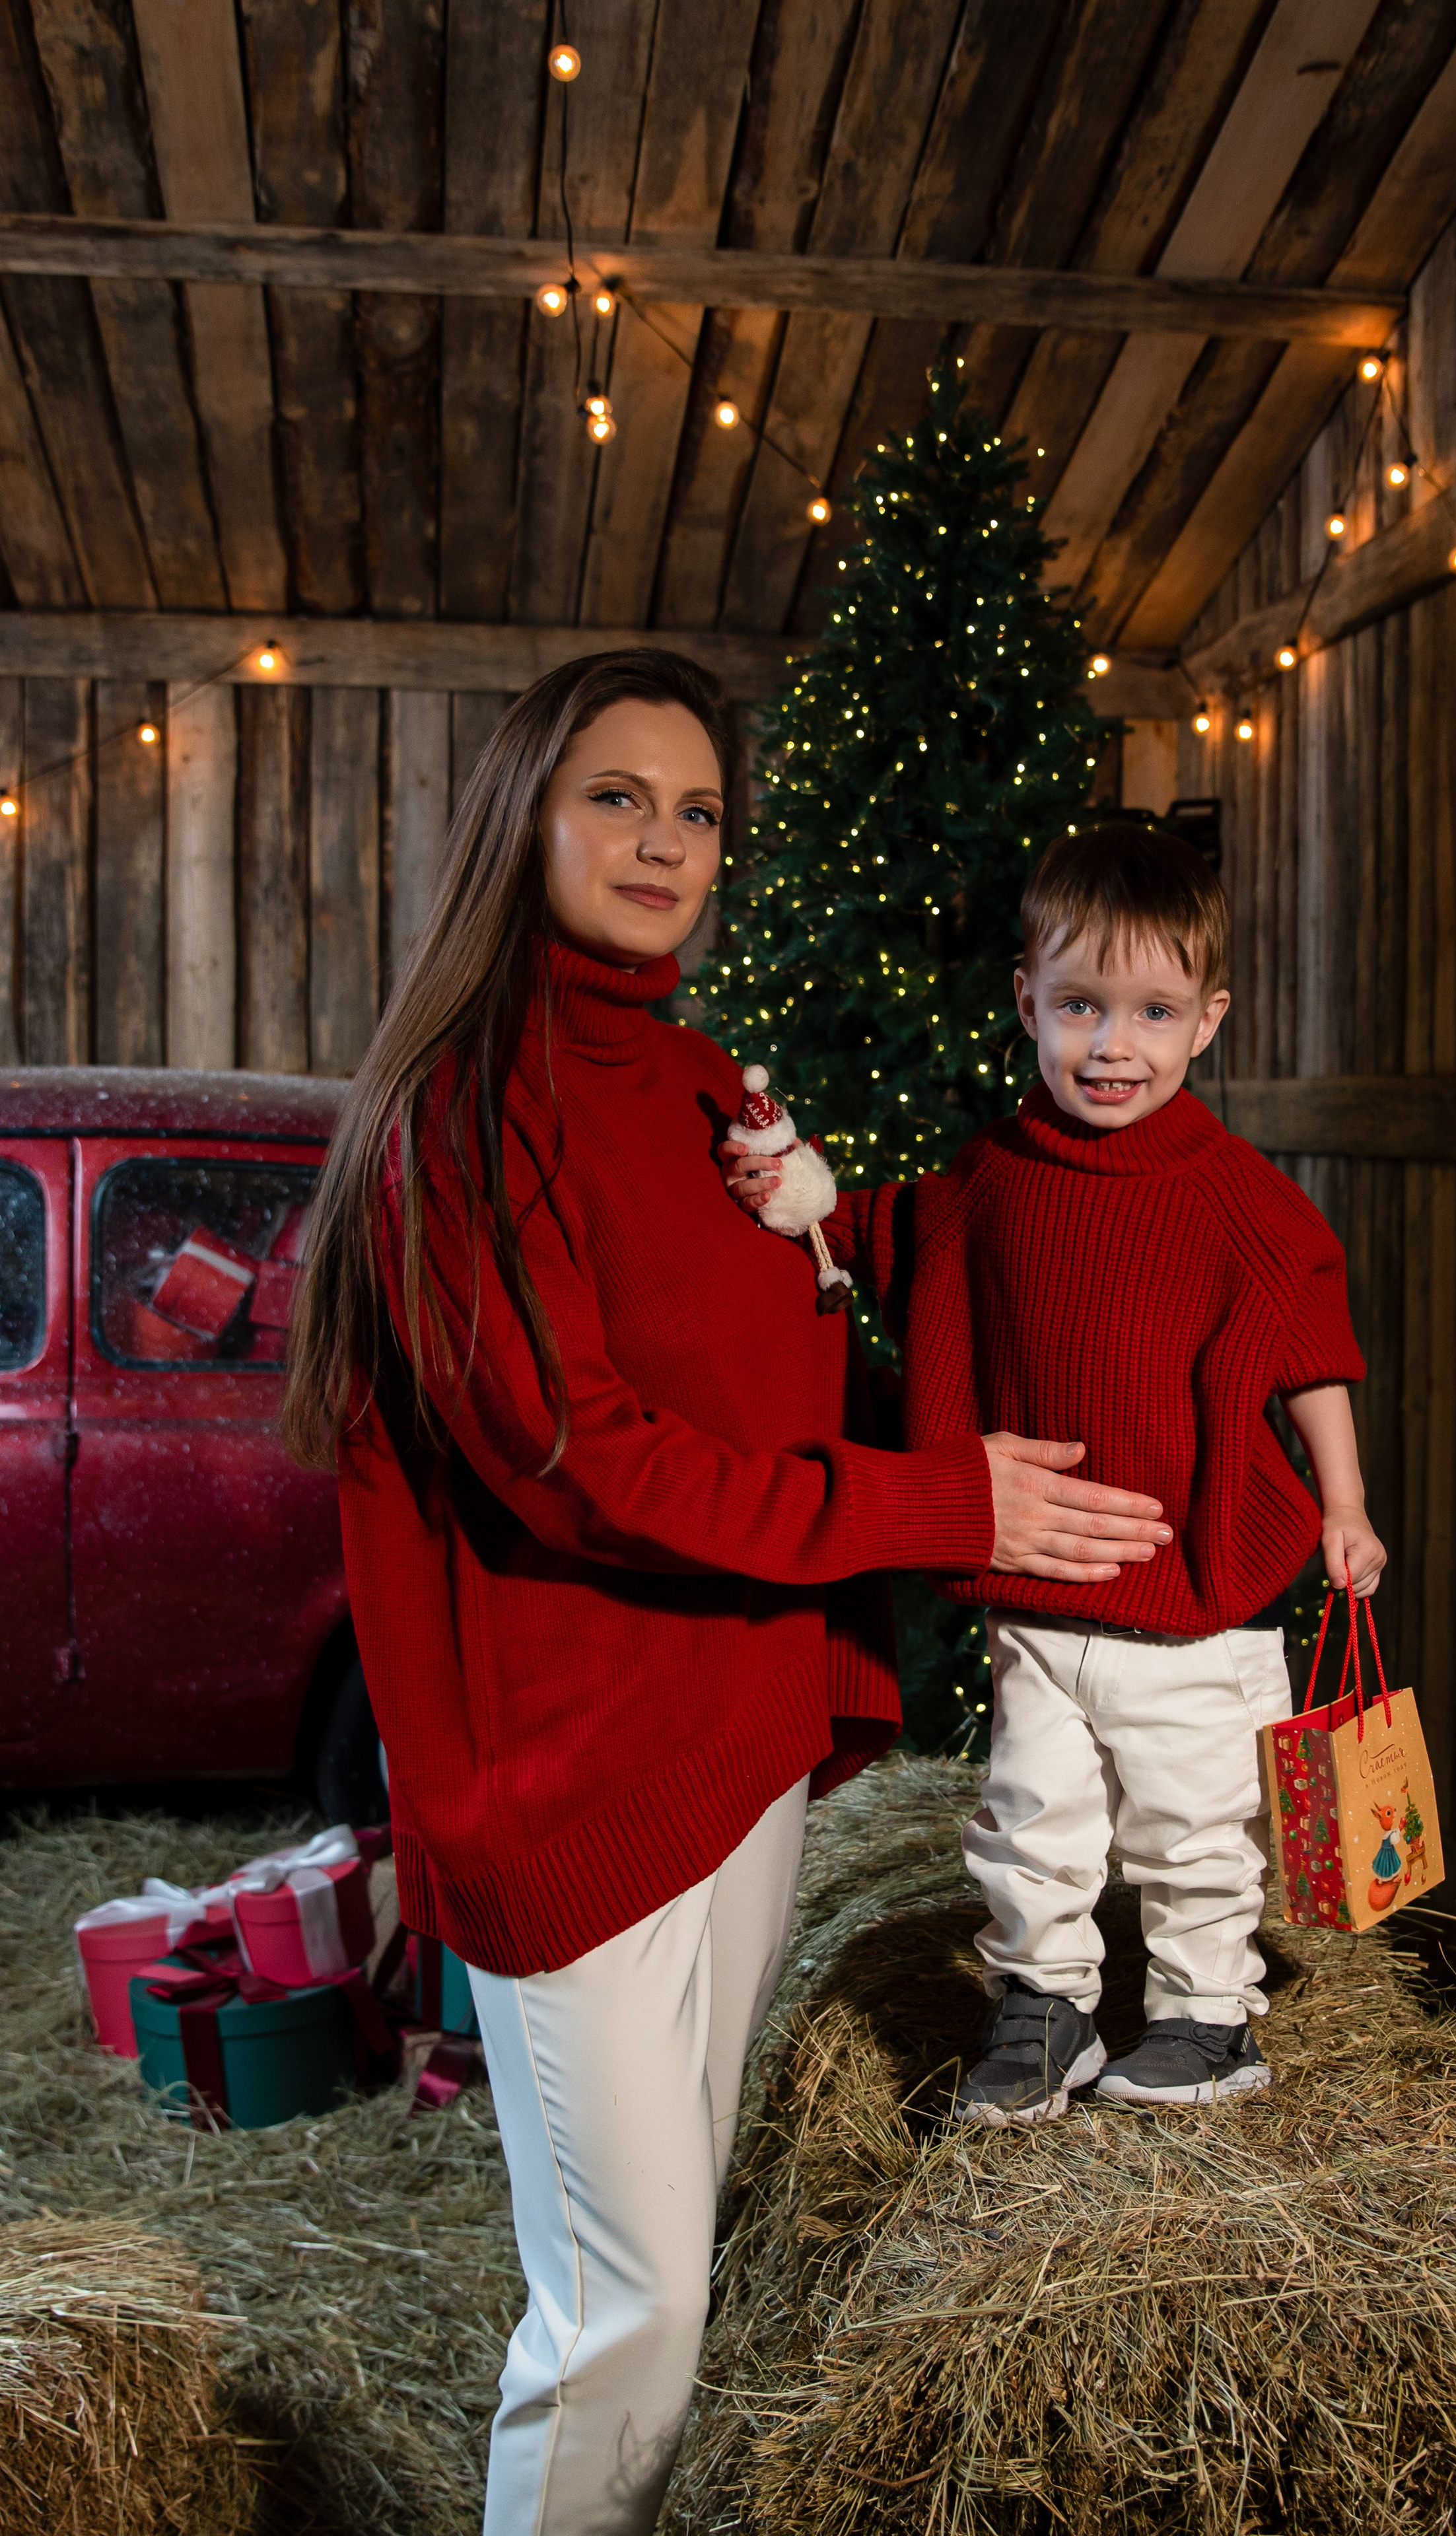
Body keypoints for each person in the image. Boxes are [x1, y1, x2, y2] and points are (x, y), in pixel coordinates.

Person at [280, 654, 1171, 2536]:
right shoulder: (464, 1108)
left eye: (697, 812)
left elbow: (776, 1368)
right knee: (632, 2309)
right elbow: (590, 1462)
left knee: (679, 2254)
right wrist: (948, 1500)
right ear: (525, 809)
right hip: (570, 1773)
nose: (665, 841)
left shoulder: (706, 1091)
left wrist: (881, 1237)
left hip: (733, 1742)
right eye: (620, 796)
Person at [724, 823, 1386, 2120]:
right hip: (1041, 1595)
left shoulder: (1235, 1194)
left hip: (1192, 1598)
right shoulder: (992, 1175)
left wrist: (1346, 1506)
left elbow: (1310, 1348)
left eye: (1149, 1012)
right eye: (1079, 1006)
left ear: (1206, 1022)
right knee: (1029, 1819)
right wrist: (805, 1197)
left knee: (1190, 1830)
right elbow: (886, 1233)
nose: (1110, 1045)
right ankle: (1049, 2005)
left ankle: (1205, 2019)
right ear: (1027, 1001)